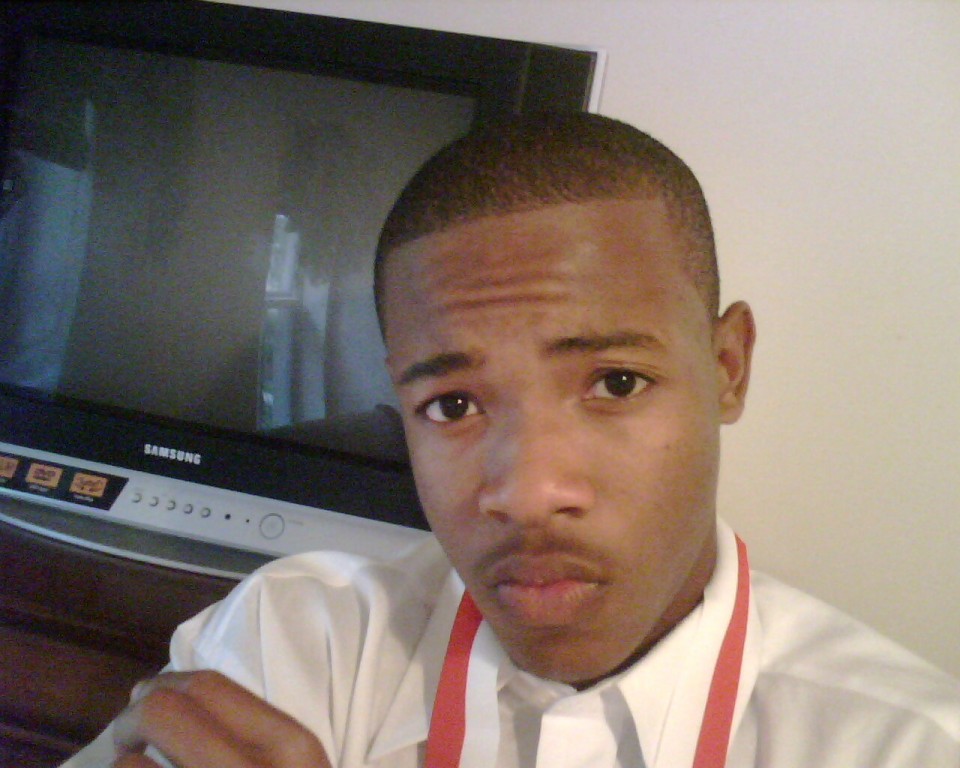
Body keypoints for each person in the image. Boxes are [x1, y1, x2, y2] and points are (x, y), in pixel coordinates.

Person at [64, 113, 959, 768]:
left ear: (728, 367)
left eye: (616, 383)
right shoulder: (297, 647)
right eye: (452, 405)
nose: (527, 493)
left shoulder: (904, 745)